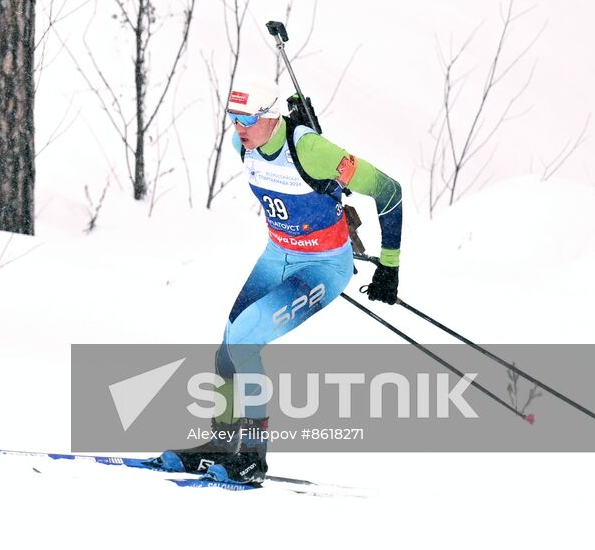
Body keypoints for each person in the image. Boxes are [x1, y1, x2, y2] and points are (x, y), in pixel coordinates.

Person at [146, 76, 404, 484]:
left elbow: (390, 191)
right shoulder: (242, 146)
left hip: (323, 266)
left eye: (246, 119)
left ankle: (252, 459)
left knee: (247, 338)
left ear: (270, 115)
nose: (238, 129)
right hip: (278, 255)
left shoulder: (312, 150)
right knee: (229, 346)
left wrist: (389, 266)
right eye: (233, 119)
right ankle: (220, 445)